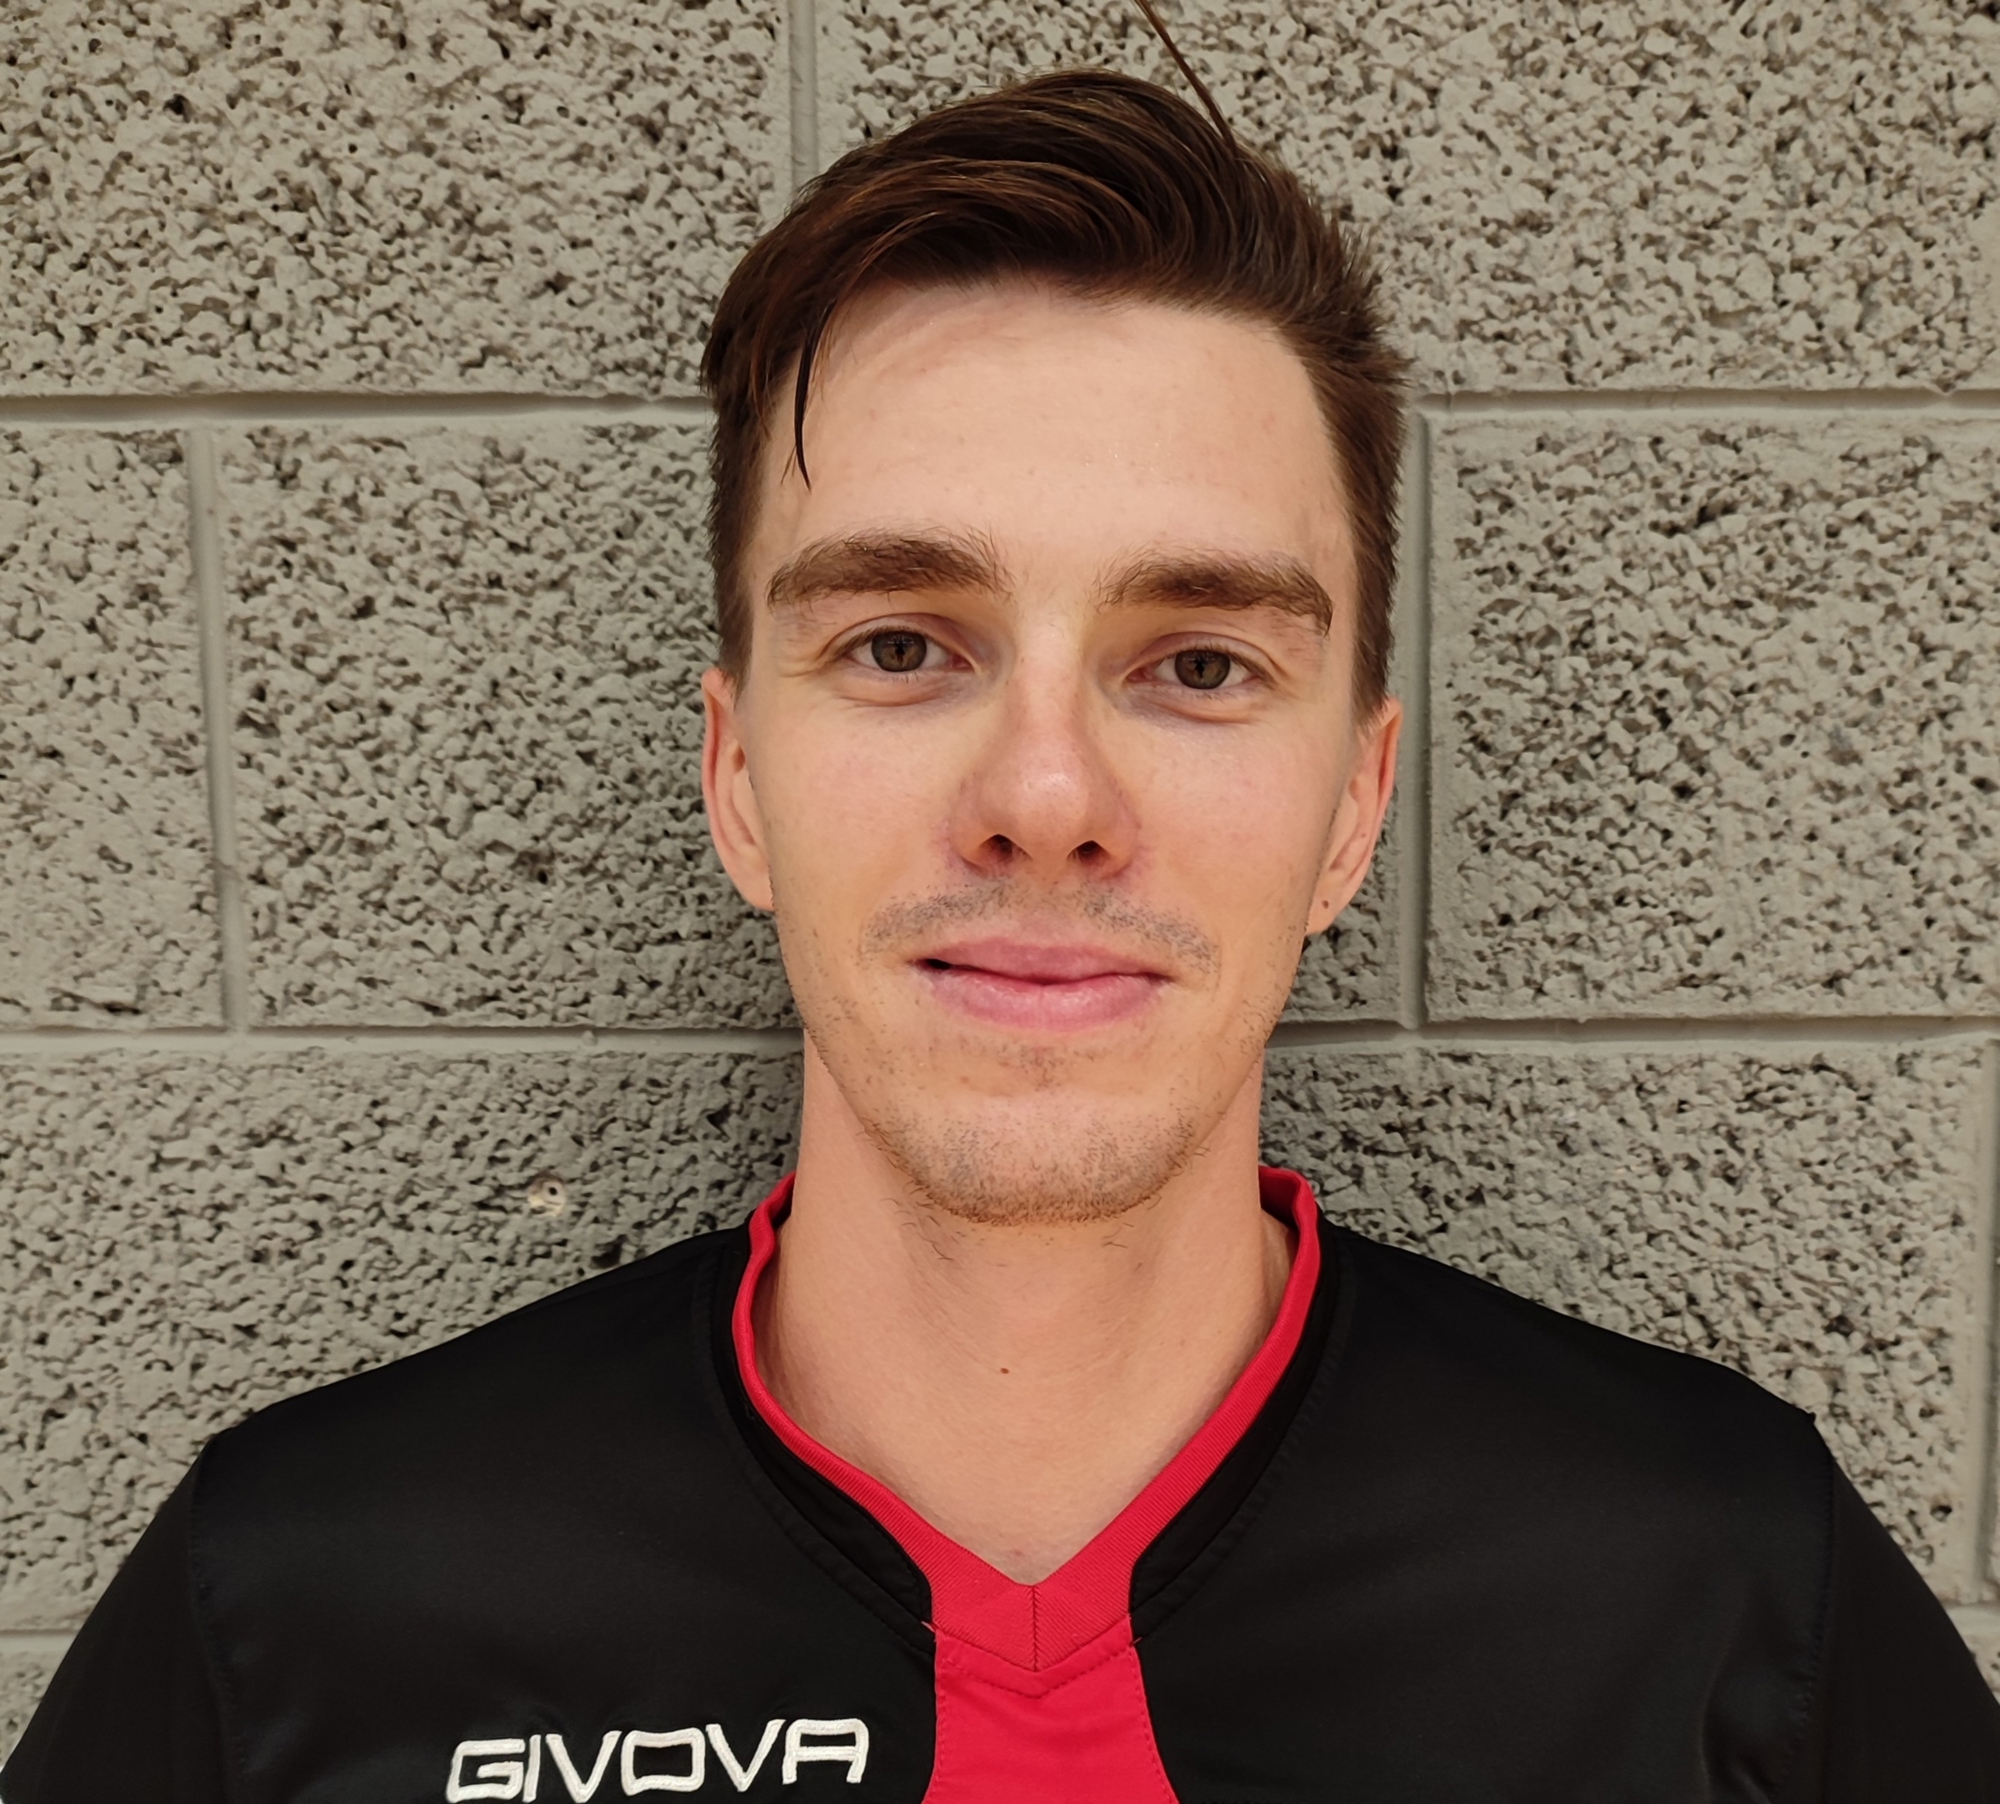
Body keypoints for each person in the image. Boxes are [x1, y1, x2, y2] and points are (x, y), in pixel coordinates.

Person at [8, 55, 1999, 1804]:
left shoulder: (1721, 1594)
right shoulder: (302, 1604)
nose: (1045, 794)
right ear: (735, 776)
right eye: (900, 644)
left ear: (1354, 806)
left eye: (1200, 662)